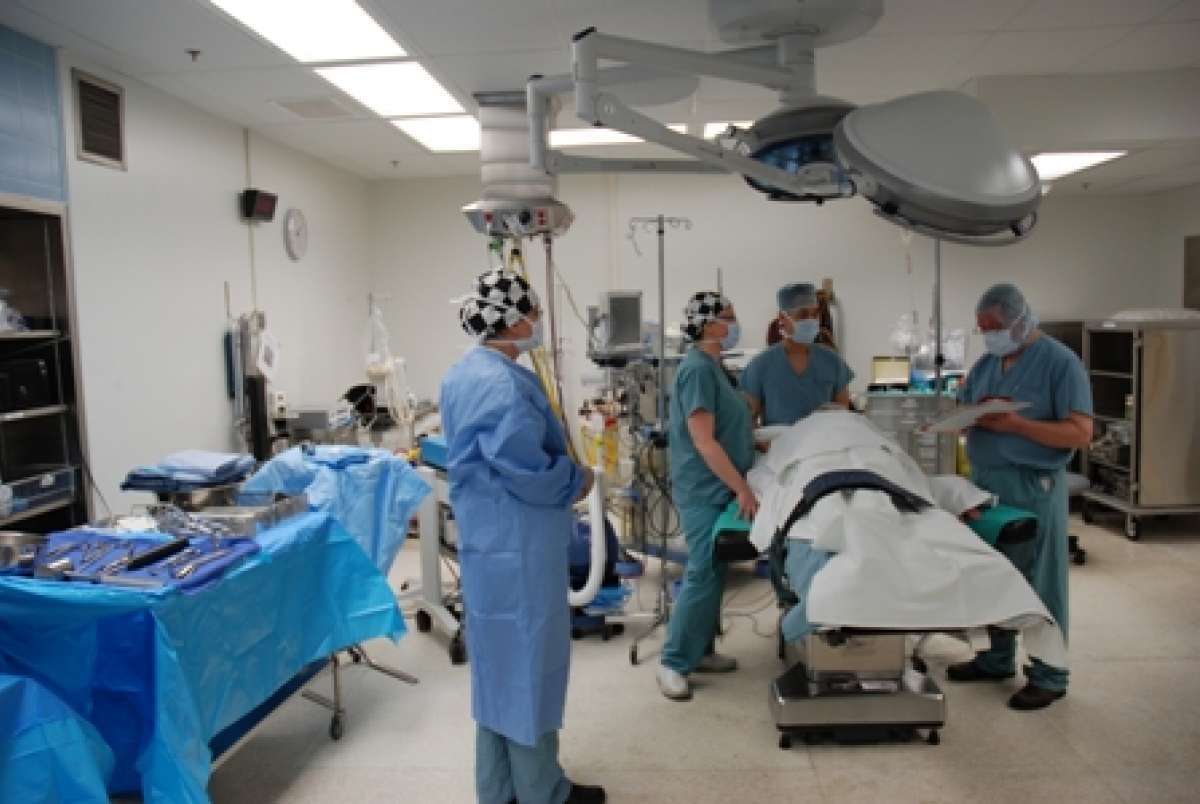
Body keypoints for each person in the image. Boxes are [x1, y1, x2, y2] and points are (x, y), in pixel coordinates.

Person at [440, 269, 605, 804]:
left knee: (497, 671)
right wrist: (575, 481)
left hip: (491, 545)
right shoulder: (501, 384)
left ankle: (500, 789)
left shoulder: (464, 374)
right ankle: (542, 791)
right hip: (520, 546)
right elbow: (525, 468)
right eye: (532, 314)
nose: (537, 323)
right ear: (510, 318)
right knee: (530, 666)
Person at [947, 283, 1093, 711]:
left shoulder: (1060, 364)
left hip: (1033, 485)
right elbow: (966, 402)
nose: (989, 335)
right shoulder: (988, 363)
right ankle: (996, 658)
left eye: (994, 327)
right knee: (994, 572)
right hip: (988, 482)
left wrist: (1017, 426)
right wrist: (961, 418)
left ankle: (1050, 675)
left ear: (1020, 319)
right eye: (982, 329)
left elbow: (1081, 433)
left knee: (1040, 579)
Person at [657, 291, 757, 701]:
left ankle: (702, 649)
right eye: (728, 318)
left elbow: (728, 426)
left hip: (719, 483)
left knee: (716, 570)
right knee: (702, 571)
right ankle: (673, 662)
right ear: (709, 323)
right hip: (703, 487)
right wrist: (741, 486)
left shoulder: (717, 367)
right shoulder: (697, 370)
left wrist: (755, 444)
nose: (735, 325)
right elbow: (702, 440)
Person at [742, 282, 853, 426]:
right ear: (782, 318)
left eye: (815, 314)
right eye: (803, 314)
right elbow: (748, 421)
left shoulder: (832, 361)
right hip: (778, 445)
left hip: (824, 444)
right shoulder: (760, 365)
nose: (811, 321)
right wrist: (762, 444)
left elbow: (844, 416)